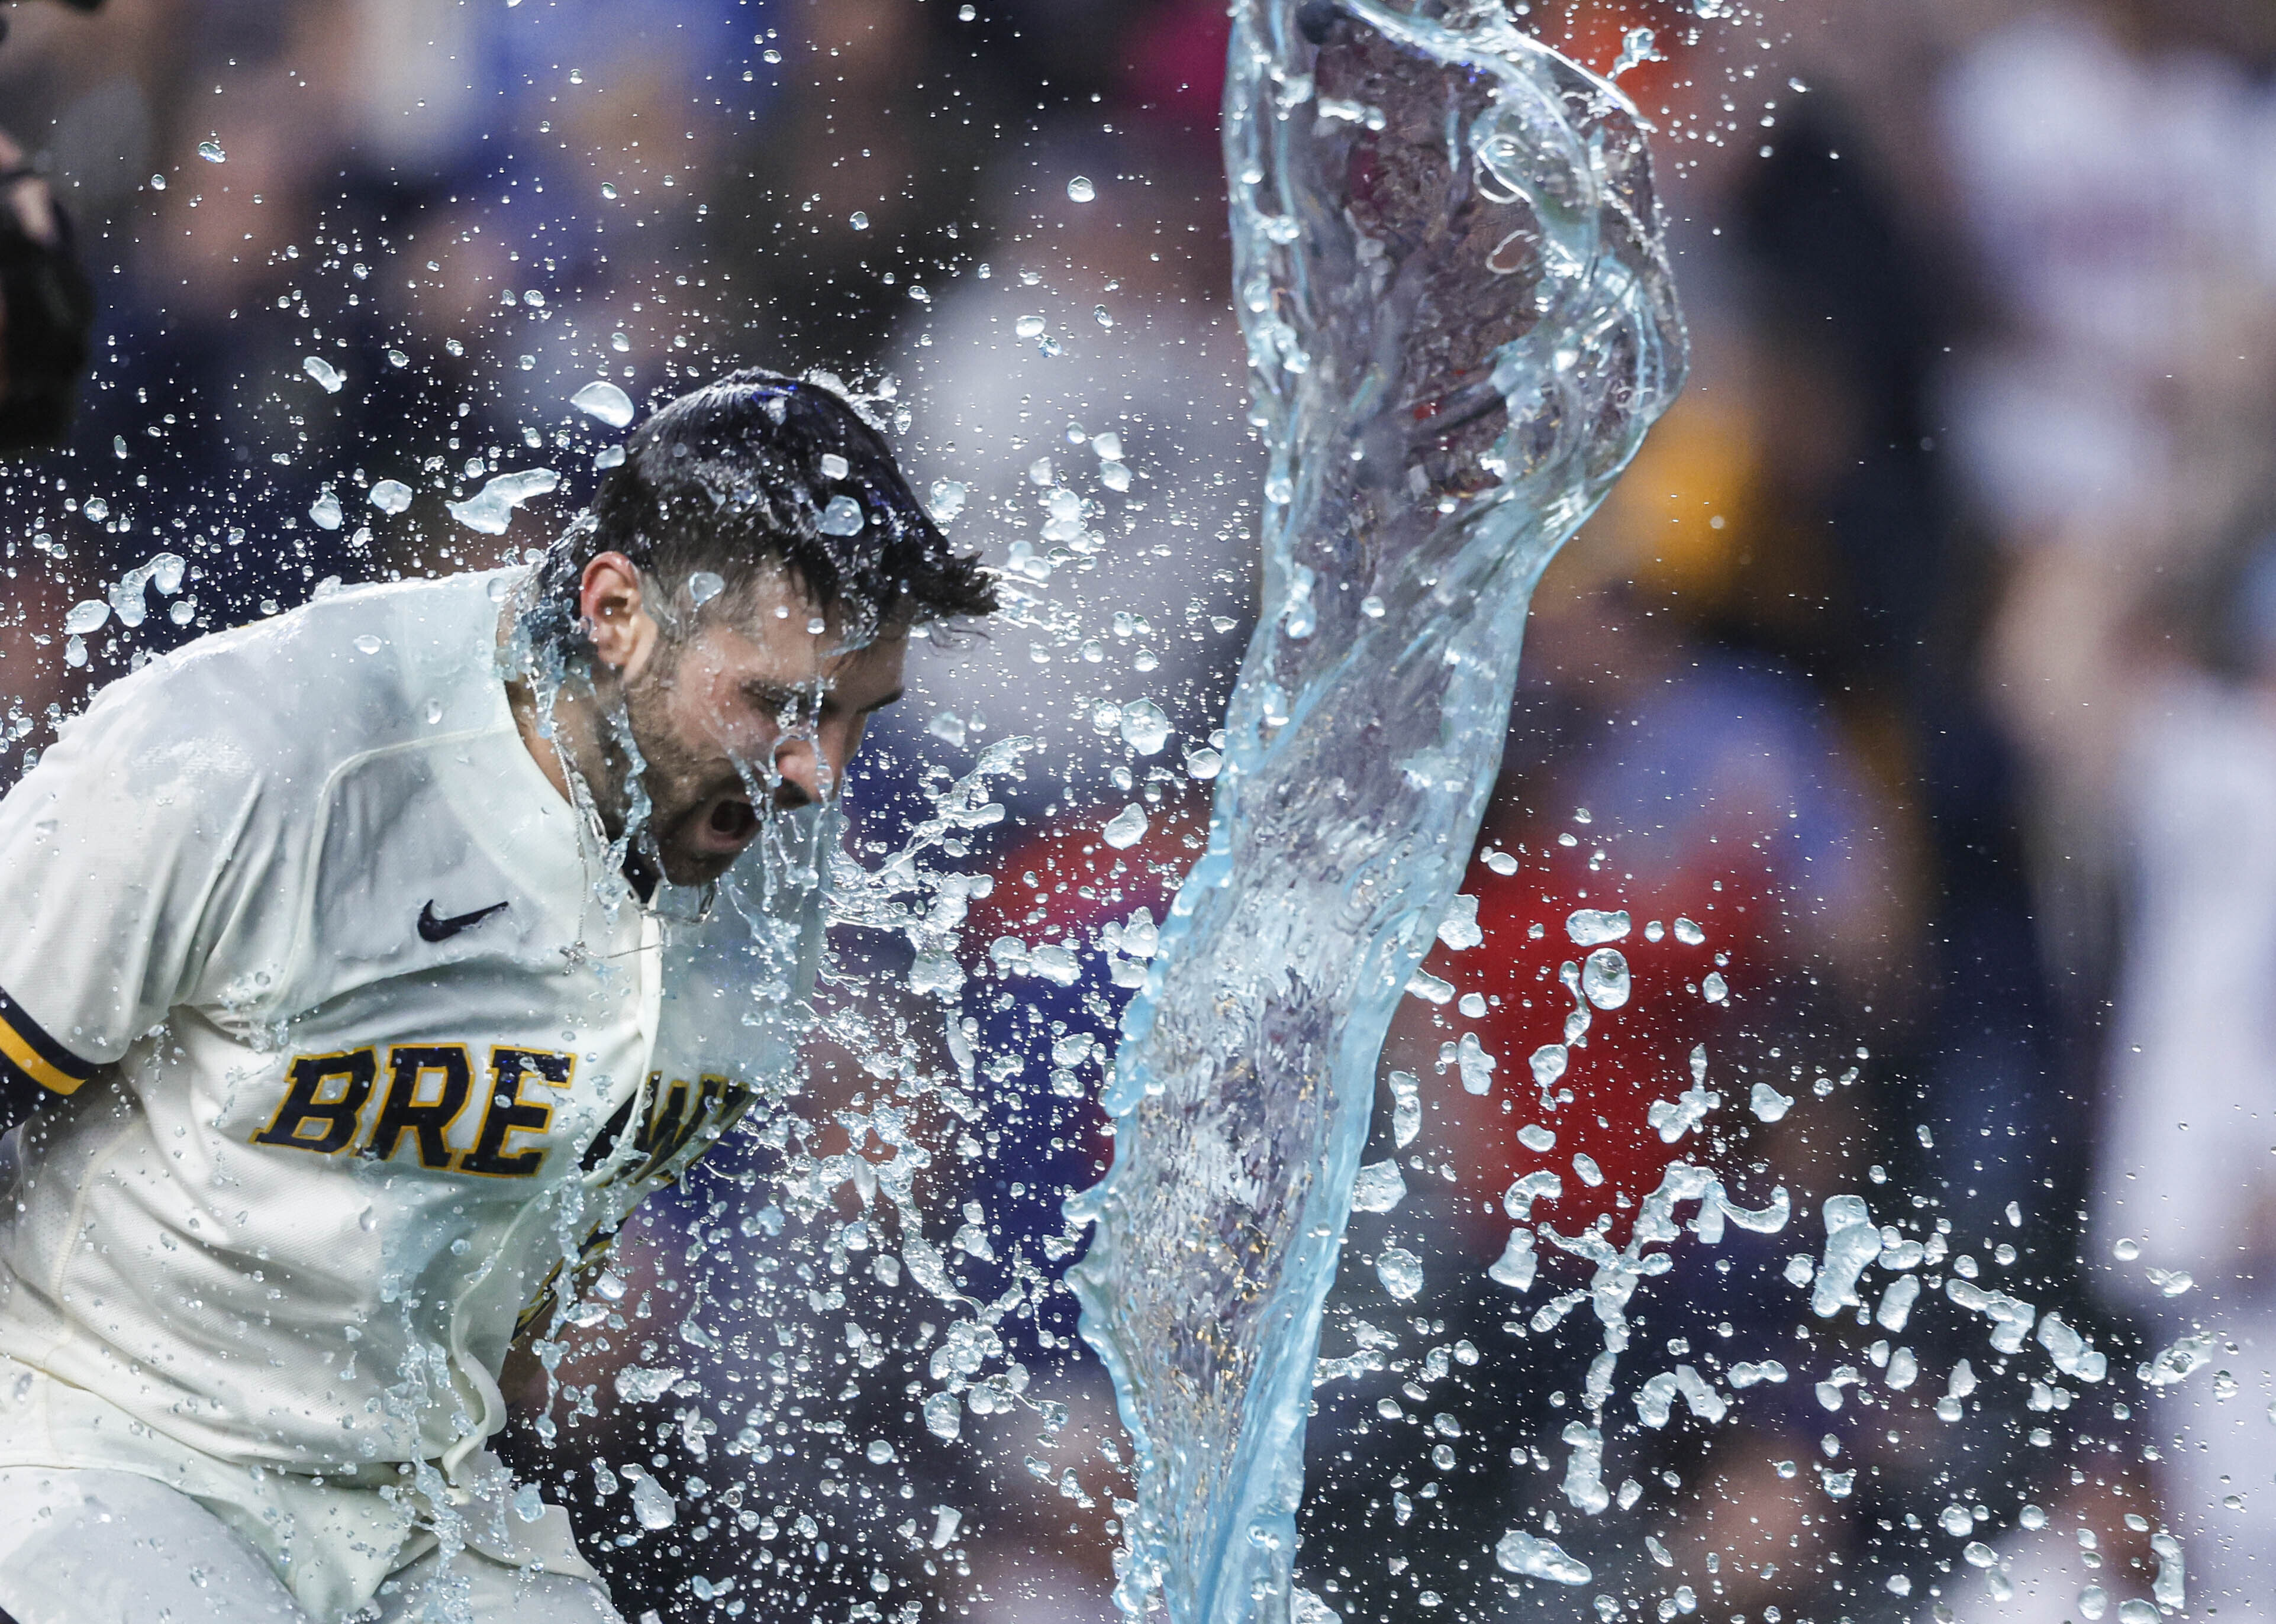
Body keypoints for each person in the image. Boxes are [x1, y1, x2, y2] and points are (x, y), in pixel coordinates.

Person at [0, 369, 995, 1623]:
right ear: (616, 610)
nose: (821, 772)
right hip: (95, 1447)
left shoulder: (754, 824)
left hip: (421, 1498)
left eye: (861, 714)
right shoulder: (252, 752)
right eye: (780, 703)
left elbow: (540, 1257)